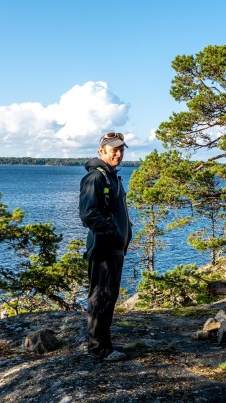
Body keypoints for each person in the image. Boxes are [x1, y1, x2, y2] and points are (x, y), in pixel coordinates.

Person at [79, 131, 132, 361]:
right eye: (114, 150)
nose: (118, 154)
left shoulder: (112, 176)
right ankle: (99, 348)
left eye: (121, 150)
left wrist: (125, 233)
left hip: (114, 248)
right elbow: (88, 214)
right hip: (103, 248)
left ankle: (104, 341)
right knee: (100, 296)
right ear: (102, 151)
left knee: (109, 296)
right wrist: (112, 233)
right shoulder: (96, 178)